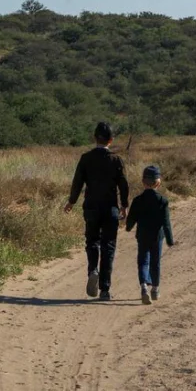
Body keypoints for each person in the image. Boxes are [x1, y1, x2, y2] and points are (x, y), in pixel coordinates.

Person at [65, 122, 130, 300]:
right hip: (110, 209)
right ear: (111, 140)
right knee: (108, 246)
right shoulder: (116, 160)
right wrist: (124, 204)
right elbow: (123, 184)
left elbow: (77, 182)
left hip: (91, 207)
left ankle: (92, 270)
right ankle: (105, 289)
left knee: (92, 242)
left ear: (95, 138)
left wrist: (71, 202)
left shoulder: (86, 158)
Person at [125, 165, 175, 305]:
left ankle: (143, 287)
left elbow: (132, 218)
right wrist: (170, 240)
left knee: (143, 261)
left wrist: (129, 227)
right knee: (155, 262)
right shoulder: (162, 201)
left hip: (142, 236)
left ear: (143, 181)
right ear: (158, 183)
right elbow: (166, 223)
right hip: (157, 237)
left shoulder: (137, 200)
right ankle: (155, 289)